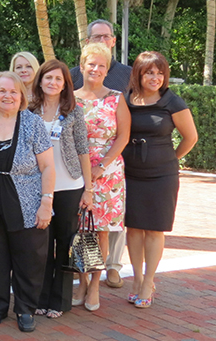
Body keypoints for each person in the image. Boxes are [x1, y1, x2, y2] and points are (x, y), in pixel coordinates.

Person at [0, 71, 55, 333]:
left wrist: (46, 202)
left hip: (26, 199)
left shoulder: (33, 123)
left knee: (28, 256)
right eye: (2, 91)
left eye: (13, 92)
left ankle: (25, 309)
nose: (7, 96)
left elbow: (48, 167)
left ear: (21, 96)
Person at [124, 52, 198, 308]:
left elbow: (190, 138)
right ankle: (136, 279)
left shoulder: (172, 101)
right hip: (130, 174)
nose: (155, 77)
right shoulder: (126, 99)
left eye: (159, 72)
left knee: (155, 229)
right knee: (133, 228)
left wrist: (170, 160)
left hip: (162, 175)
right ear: (139, 74)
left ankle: (148, 282)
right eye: (149, 72)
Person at [70, 20, 133, 289]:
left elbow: (123, 136)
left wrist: (103, 166)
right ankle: (82, 281)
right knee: (80, 231)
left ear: (107, 70)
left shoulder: (116, 98)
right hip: (75, 171)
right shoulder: (70, 99)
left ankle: (95, 284)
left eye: (101, 66)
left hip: (107, 174)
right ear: (82, 66)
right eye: (91, 64)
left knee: (101, 232)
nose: (95, 69)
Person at [29, 60, 92, 319]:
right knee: (41, 245)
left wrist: (88, 189)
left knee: (64, 243)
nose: (53, 83)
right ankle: (40, 297)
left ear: (65, 84)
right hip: (39, 187)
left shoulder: (74, 112)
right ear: (40, 81)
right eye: (48, 78)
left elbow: (83, 150)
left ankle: (60, 300)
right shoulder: (29, 110)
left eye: (58, 79)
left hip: (69, 186)